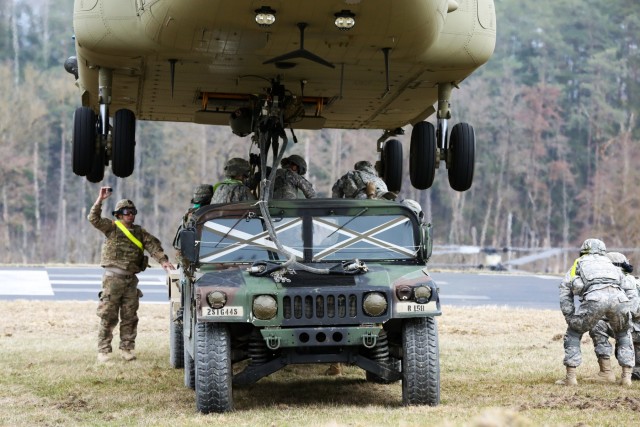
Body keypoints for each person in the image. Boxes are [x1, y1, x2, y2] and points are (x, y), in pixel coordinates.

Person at [89, 187, 175, 363]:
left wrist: (164, 261)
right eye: (127, 212)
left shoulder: (139, 232)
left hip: (130, 280)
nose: (130, 215)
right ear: (119, 215)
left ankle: (127, 348)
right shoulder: (111, 228)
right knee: (108, 315)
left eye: (133, 212)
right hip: (113, 279)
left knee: (130, 316)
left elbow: (153, 246)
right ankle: (104, 350)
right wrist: (100, 200)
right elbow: (93, 219)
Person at [556, 239, 635, 386]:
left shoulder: (579, 262)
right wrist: (628, 310)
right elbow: (627, 285)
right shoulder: (608, 263)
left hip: (594, 299)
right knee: (624, 333)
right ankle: (626, 378)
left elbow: (565, 287)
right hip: (619, 299)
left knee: (574, 333)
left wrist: (570, 315)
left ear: (584, 250)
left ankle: (571, 377)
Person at [588, 252, 640, 382]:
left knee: (597, 324)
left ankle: (606, 372)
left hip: (631, 331)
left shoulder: (614, 282)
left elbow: (631, 310)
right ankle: (633, 372)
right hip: (635, 332)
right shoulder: (635, 281)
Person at [173, 184, 213, 269]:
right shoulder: (214, 214)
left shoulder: (190, 215)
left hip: (195, 262)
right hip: (204, 262)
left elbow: (179, 245)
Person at [331, 160, 396, 200]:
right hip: (383, 197)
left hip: (361, 199)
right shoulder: (379, 180)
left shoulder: (351, 174)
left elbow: (336, 192)